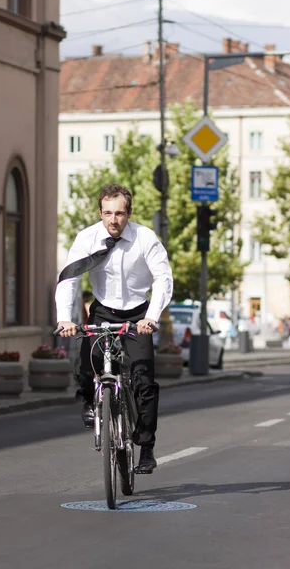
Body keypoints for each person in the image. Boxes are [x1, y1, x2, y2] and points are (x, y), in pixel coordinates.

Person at [55, 184, 173, 473]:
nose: (113, 220)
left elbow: (163, 278)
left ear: (128, 213)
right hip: (104, 309)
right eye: (107, 213)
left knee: (144, 380)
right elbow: (69, 279)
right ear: (100, 212)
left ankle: (145, 448)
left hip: (137, 314)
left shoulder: (145, 238)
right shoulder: (87, 238)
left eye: (119, 213)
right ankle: (90, 403)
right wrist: (64, 318)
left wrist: (152, 316)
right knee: (87, 362)